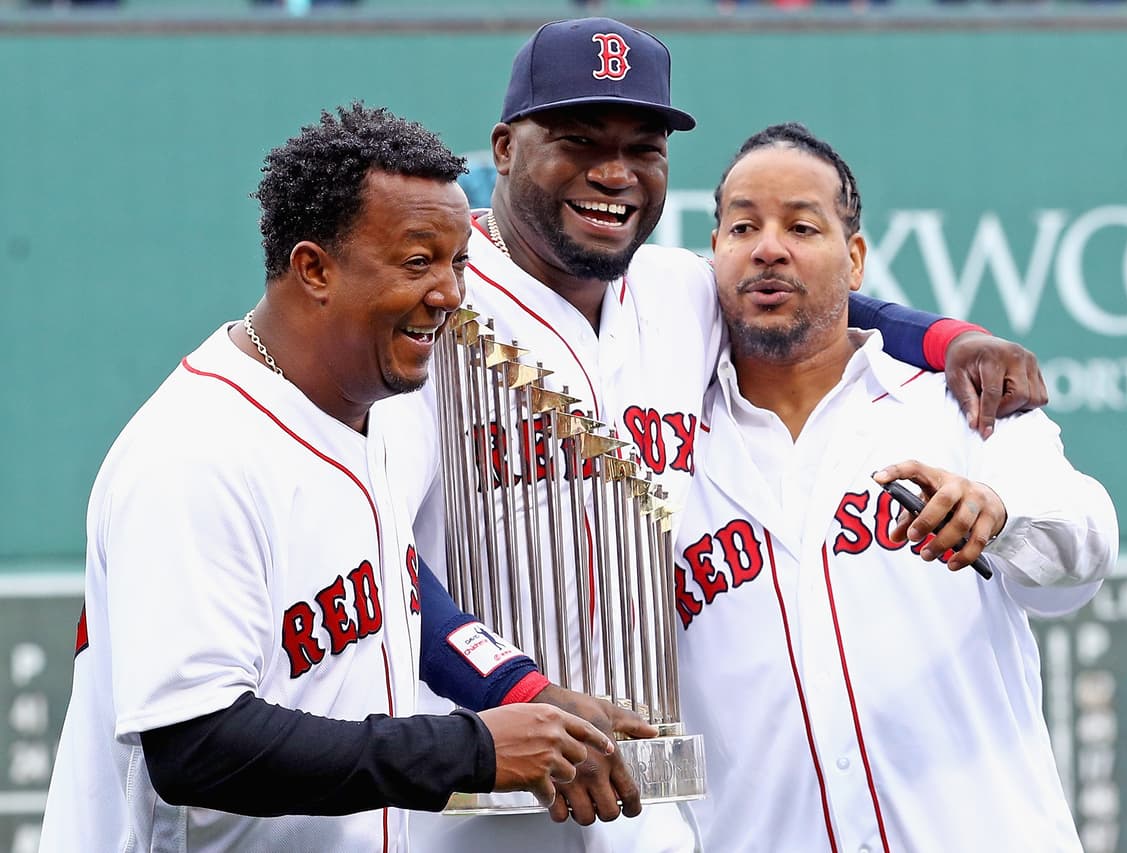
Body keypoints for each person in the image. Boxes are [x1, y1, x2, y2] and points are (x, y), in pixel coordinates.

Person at [411, 16, 1051, 853]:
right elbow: (376, 551)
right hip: (482, 786)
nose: (614, 171)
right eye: (577, 139)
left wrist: (947, 339)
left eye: (644, 145)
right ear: (504, 146)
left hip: (650, 793)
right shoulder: (432, 301)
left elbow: (822, 300)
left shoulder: (679, 289)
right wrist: (510, 685)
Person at [39, 103, 656, 853]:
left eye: (459, 262)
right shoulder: (194, 453)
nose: (450, 293)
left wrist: (524, 692)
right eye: (417, 261)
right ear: (315, 268)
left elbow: (402, 597)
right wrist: (475, 748)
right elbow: (196, 745)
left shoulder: (361, 414)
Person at [673, 122, 1119, 851]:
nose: (768, 246)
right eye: (743, 225)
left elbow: (1084, 548)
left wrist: (1000, 515)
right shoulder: (667, 440)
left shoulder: (957, 402)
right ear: (713, 251)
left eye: (801, 225)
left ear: (855, 260)